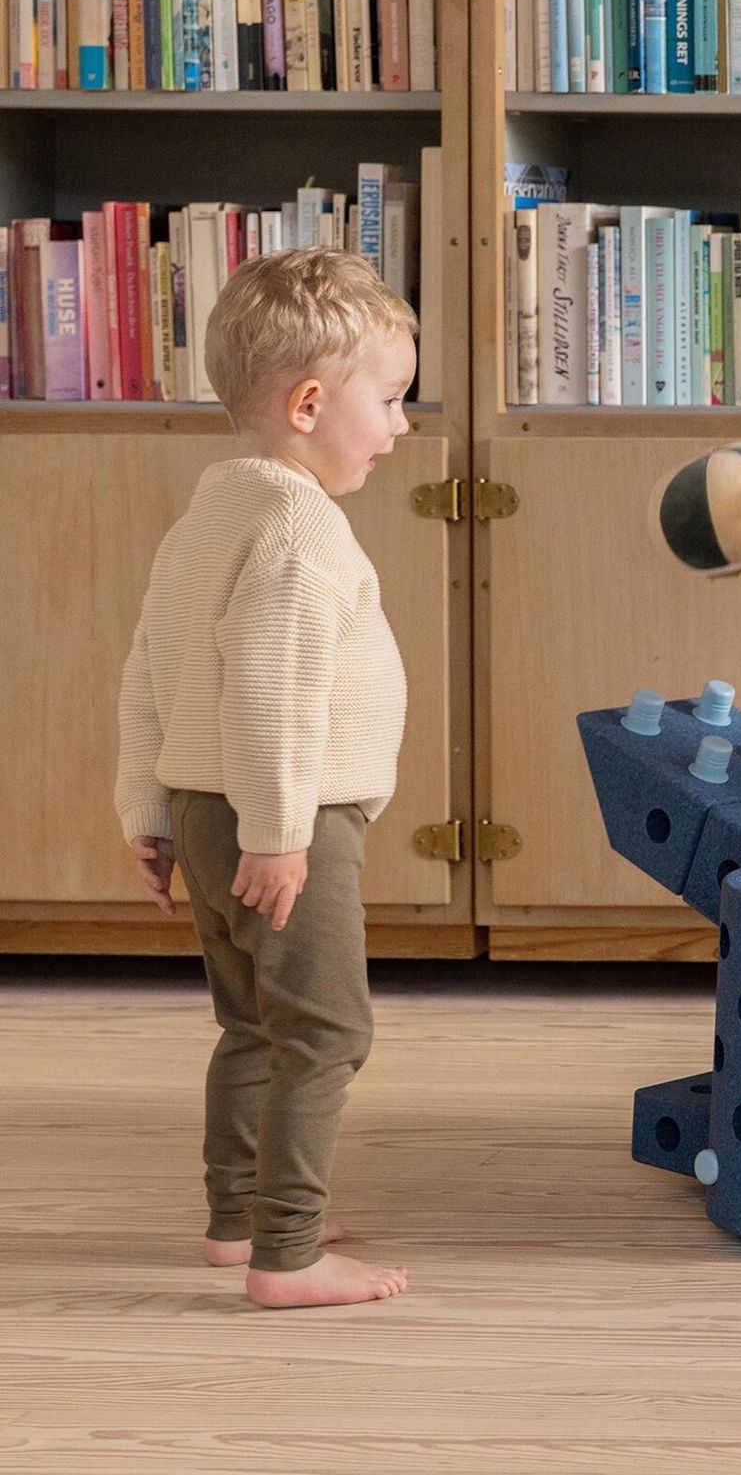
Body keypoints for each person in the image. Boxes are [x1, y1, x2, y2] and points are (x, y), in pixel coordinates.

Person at [115, 247, 417, 1304]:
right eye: (387, 401)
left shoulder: (207, 521)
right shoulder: (297, 527)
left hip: (207, 808)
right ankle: (288, 1254)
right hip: (286, 821)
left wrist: (147, 810)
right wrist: (283, 832)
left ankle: (237, 1219)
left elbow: (146, 675)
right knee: (328, 1030)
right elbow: (273, 694)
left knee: (252, 1023)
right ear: (308, 402)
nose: (399, 426)